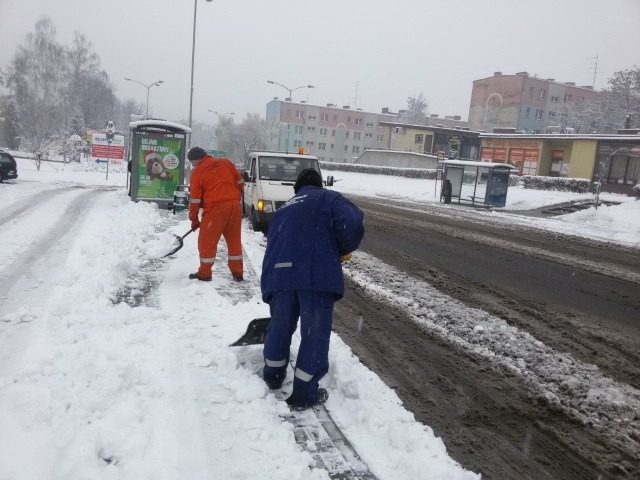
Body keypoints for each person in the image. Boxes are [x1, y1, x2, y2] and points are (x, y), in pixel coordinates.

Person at [261, 168, 365, 410]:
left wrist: (269, 287)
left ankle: (273, 375)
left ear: (297, 188)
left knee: (280, 326)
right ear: (319, 185)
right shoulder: (327, 198)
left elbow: (272, 248)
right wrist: (340, 247)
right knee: (314, 333)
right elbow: (354, 221)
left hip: (280, 275)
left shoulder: (283, 209)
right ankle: (305, 393)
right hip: (314, 274)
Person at [187, 146, 244, 282]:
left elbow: (194, 200)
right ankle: (238, 272)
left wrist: (194, 219)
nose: (192, 165)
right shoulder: (225, 162)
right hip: (235, 206)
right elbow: (240, 182)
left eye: (192, 163)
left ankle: (205, 273)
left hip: (216, 208)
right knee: (234, 240)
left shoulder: (198, 172)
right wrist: (230, 194)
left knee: (207, 241)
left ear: (195, 160)